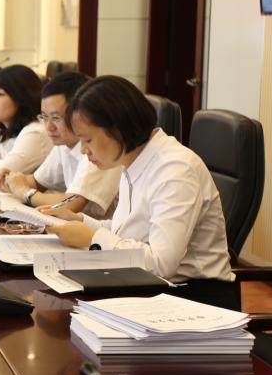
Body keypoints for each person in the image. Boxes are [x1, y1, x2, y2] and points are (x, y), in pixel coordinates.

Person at [41, 76, 237, 307]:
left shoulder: (174, 169)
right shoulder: (133, 160)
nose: (83, 150)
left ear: (118, 129)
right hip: (152, 286)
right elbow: (130, 230)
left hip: (197, 297)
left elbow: (161, 264)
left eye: (88, 140)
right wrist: (80, 221)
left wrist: (92, 238)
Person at [1, 72, 120, 217]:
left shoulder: (97, 147)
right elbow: (37, 181)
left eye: (56, 118)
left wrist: (25, 192)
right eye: (44, 117)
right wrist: (11, 179)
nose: (49, 127)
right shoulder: (64, 143)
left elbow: (71, 204)